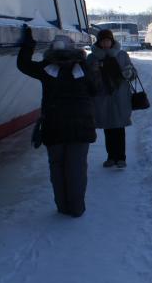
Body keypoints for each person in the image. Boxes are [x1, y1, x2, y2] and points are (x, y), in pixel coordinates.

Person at [16, 26, 100, 217]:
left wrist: (28, 44)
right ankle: (76, 208)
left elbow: (23, 65)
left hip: (53, 125)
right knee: (76, 168)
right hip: (81, 127)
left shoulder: (46, 69)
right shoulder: (84, 69)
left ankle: (62, 207)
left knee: (57, 166)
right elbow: (96, 90)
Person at [88, 28, 136, 168]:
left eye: (108, 40)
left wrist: (129, 72)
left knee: (119, 128)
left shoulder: (122, 55)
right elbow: (87, 78)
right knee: (108, 128)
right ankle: (110, 157)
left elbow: (133, 73)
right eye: (103, 41)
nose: (105, 43)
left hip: (120, 96)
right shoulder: (92, 57)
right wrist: (94, 71)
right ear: (98, 42)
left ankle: (121, 158)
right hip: (102, 97)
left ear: (112, 41)